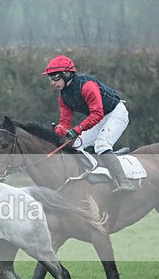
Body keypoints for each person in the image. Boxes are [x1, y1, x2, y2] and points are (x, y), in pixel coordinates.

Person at [43, 55, 135, 193]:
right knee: (76, 146)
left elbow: (97, 113)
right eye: (50, 78)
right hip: (100, 118)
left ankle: (125, 182)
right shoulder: (63, 96)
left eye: (55, 77)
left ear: (67, 74)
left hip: (116, 113)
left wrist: (78, 129)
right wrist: (57, 132)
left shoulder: (87, 85)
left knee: (102, 145)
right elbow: (65, 121)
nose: (52, 82)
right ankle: (95, 175)